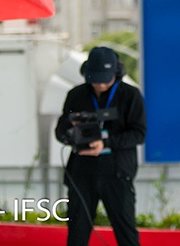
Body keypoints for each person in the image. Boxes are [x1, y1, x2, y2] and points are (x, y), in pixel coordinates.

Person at [55, 46, 146, 246]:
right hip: (82, 173)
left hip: (117, 173)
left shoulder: (130, 95)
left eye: (105, 79)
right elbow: (60, 132)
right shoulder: (77, 95)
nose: (100, 85)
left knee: (126, 232)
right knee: (77, 233)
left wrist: (105, 143)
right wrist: (73, 129)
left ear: (116, 73)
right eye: (95, 79)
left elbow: (139, 134)